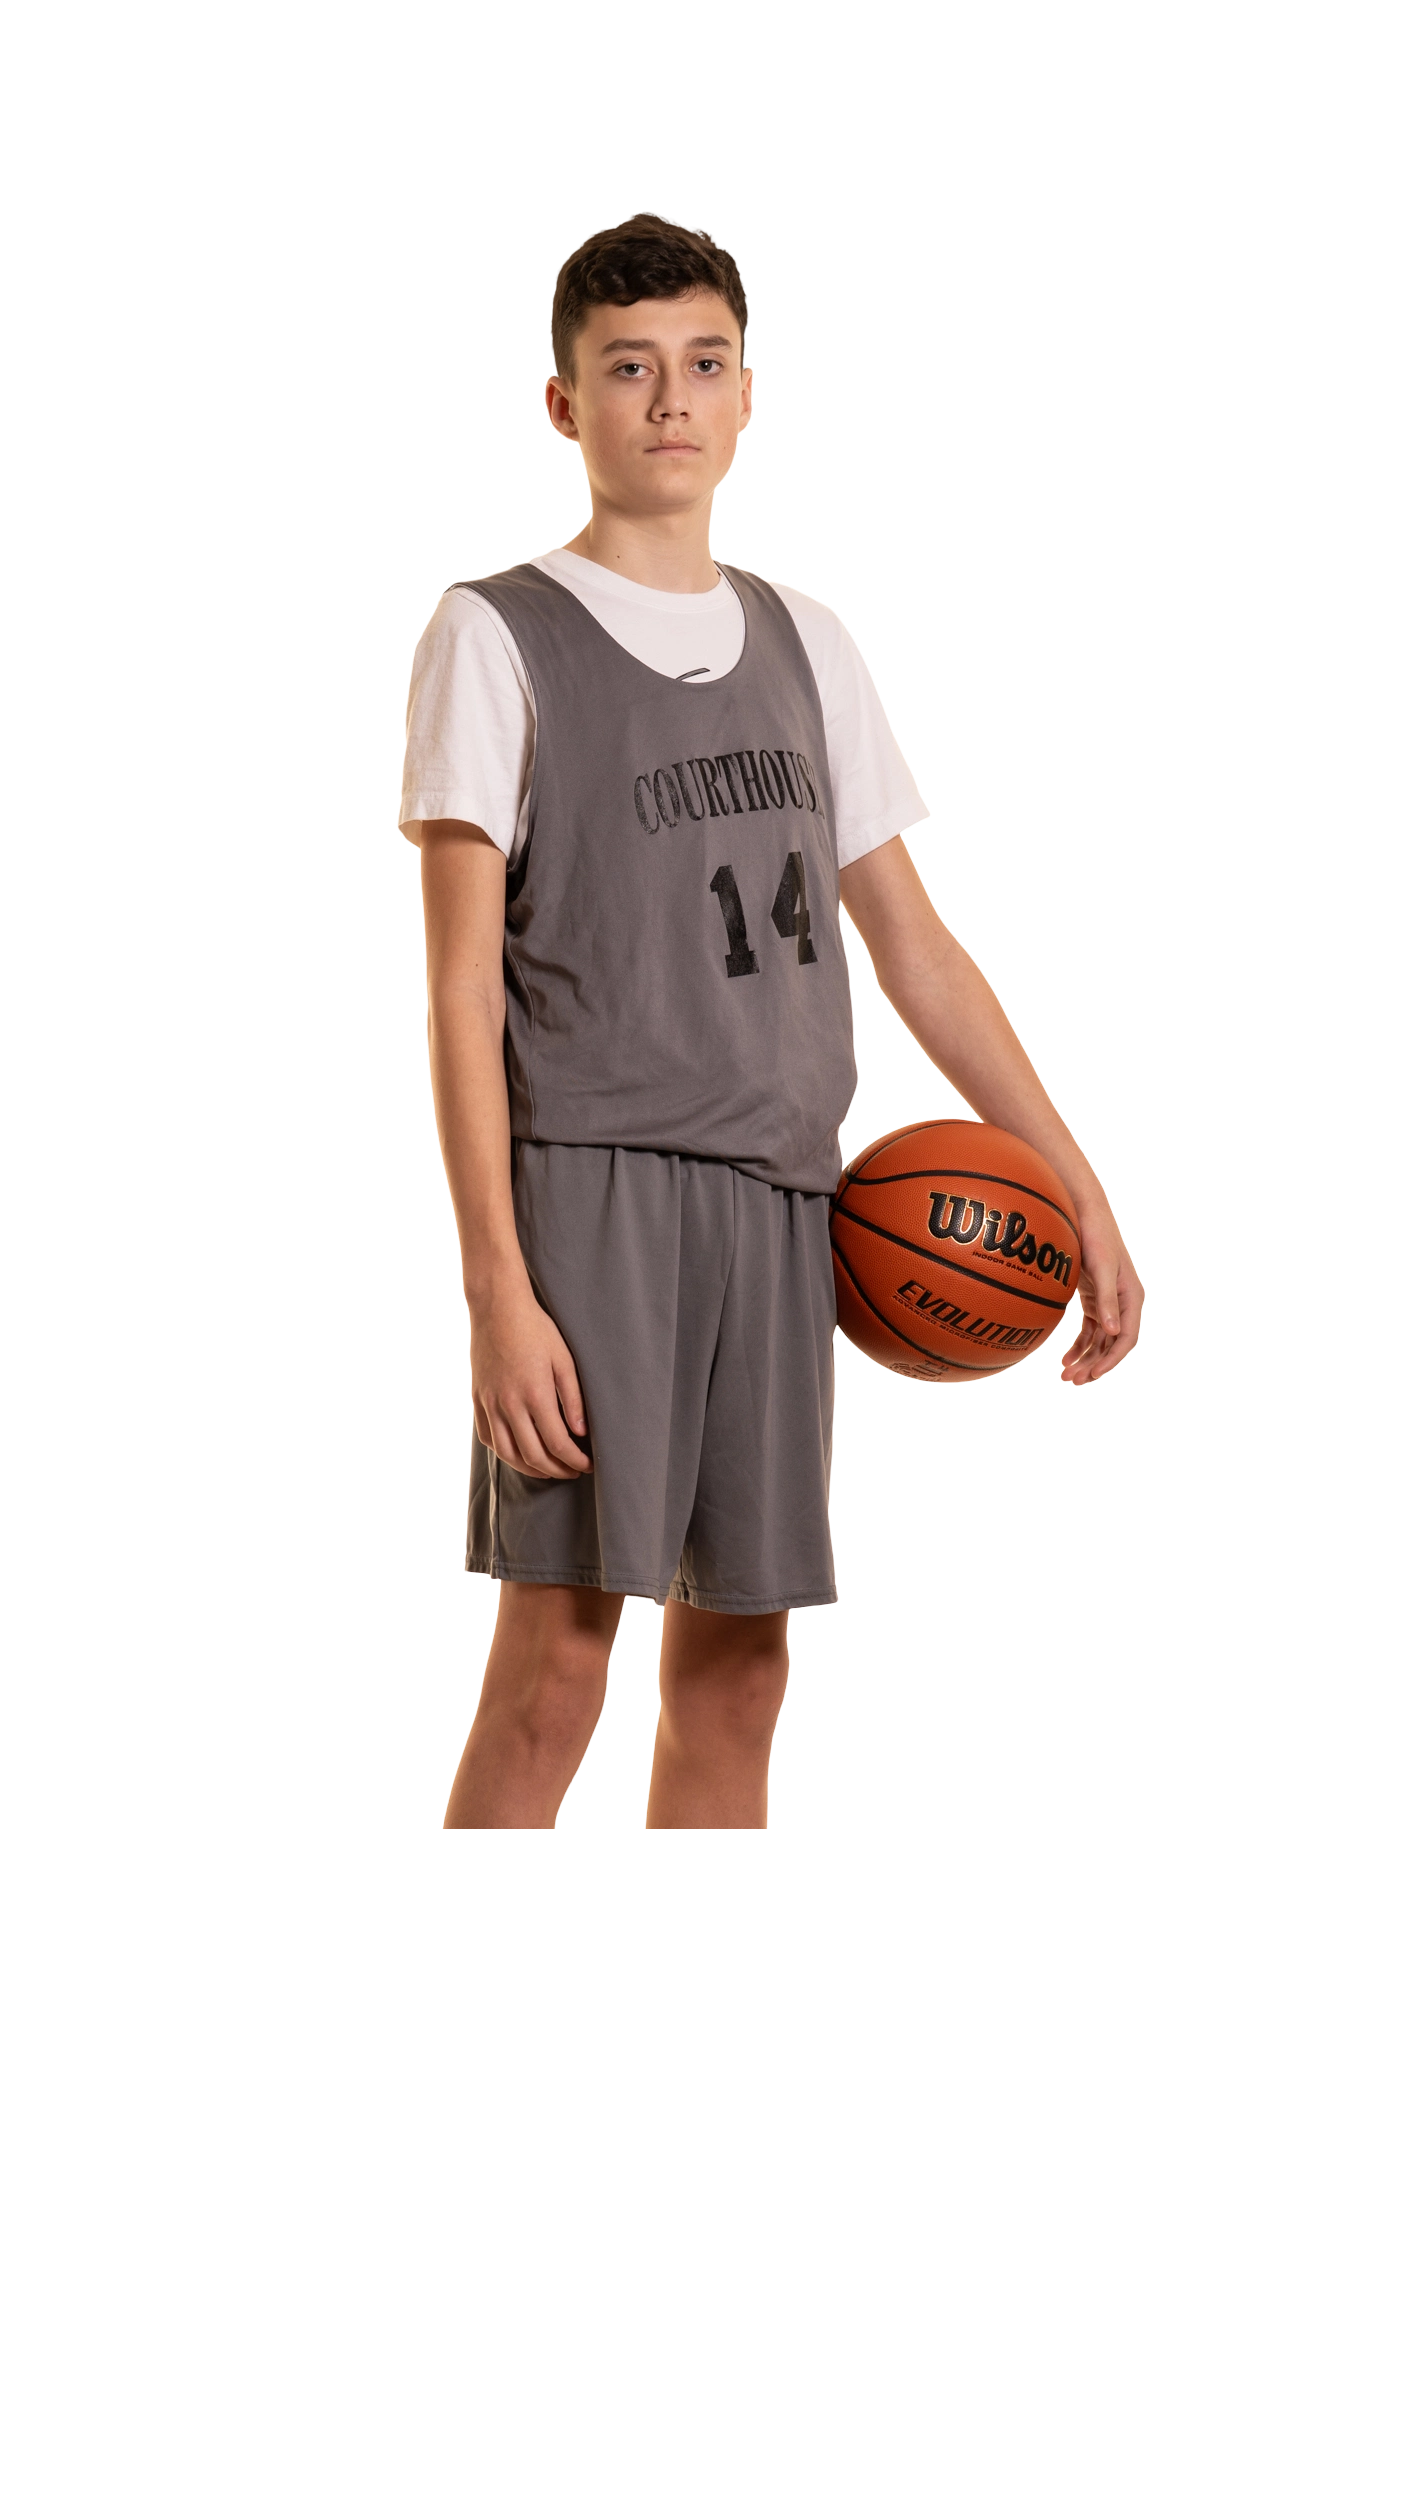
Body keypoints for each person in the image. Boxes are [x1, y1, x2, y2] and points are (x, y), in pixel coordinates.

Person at [401, 213, 1143, 1831]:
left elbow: (916, 947)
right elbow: (457, 986)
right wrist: (496, 1286)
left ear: (748, 394)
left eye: (704, 362)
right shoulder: (496, 634)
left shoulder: (809, 644)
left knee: (741, 1673)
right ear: (563, 404)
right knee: (556, 1669)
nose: (670, 397)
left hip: (787, 1203)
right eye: (627, 367)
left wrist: (1076, 1181)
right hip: (593, 1199)